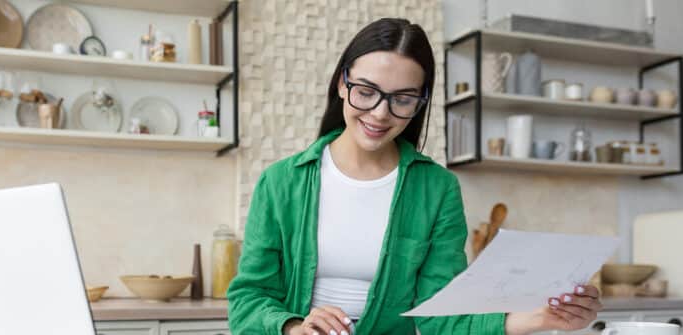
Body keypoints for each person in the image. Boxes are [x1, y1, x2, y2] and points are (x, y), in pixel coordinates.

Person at [227, 18, 602, 335]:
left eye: (402, 99)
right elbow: (248, 299)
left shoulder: (436, 189)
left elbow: (441, 312)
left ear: (420, 101)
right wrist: (294, 327)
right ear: (342, 84)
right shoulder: (280, 183)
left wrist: (541, 316)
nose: (379, 113)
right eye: (366, 91)